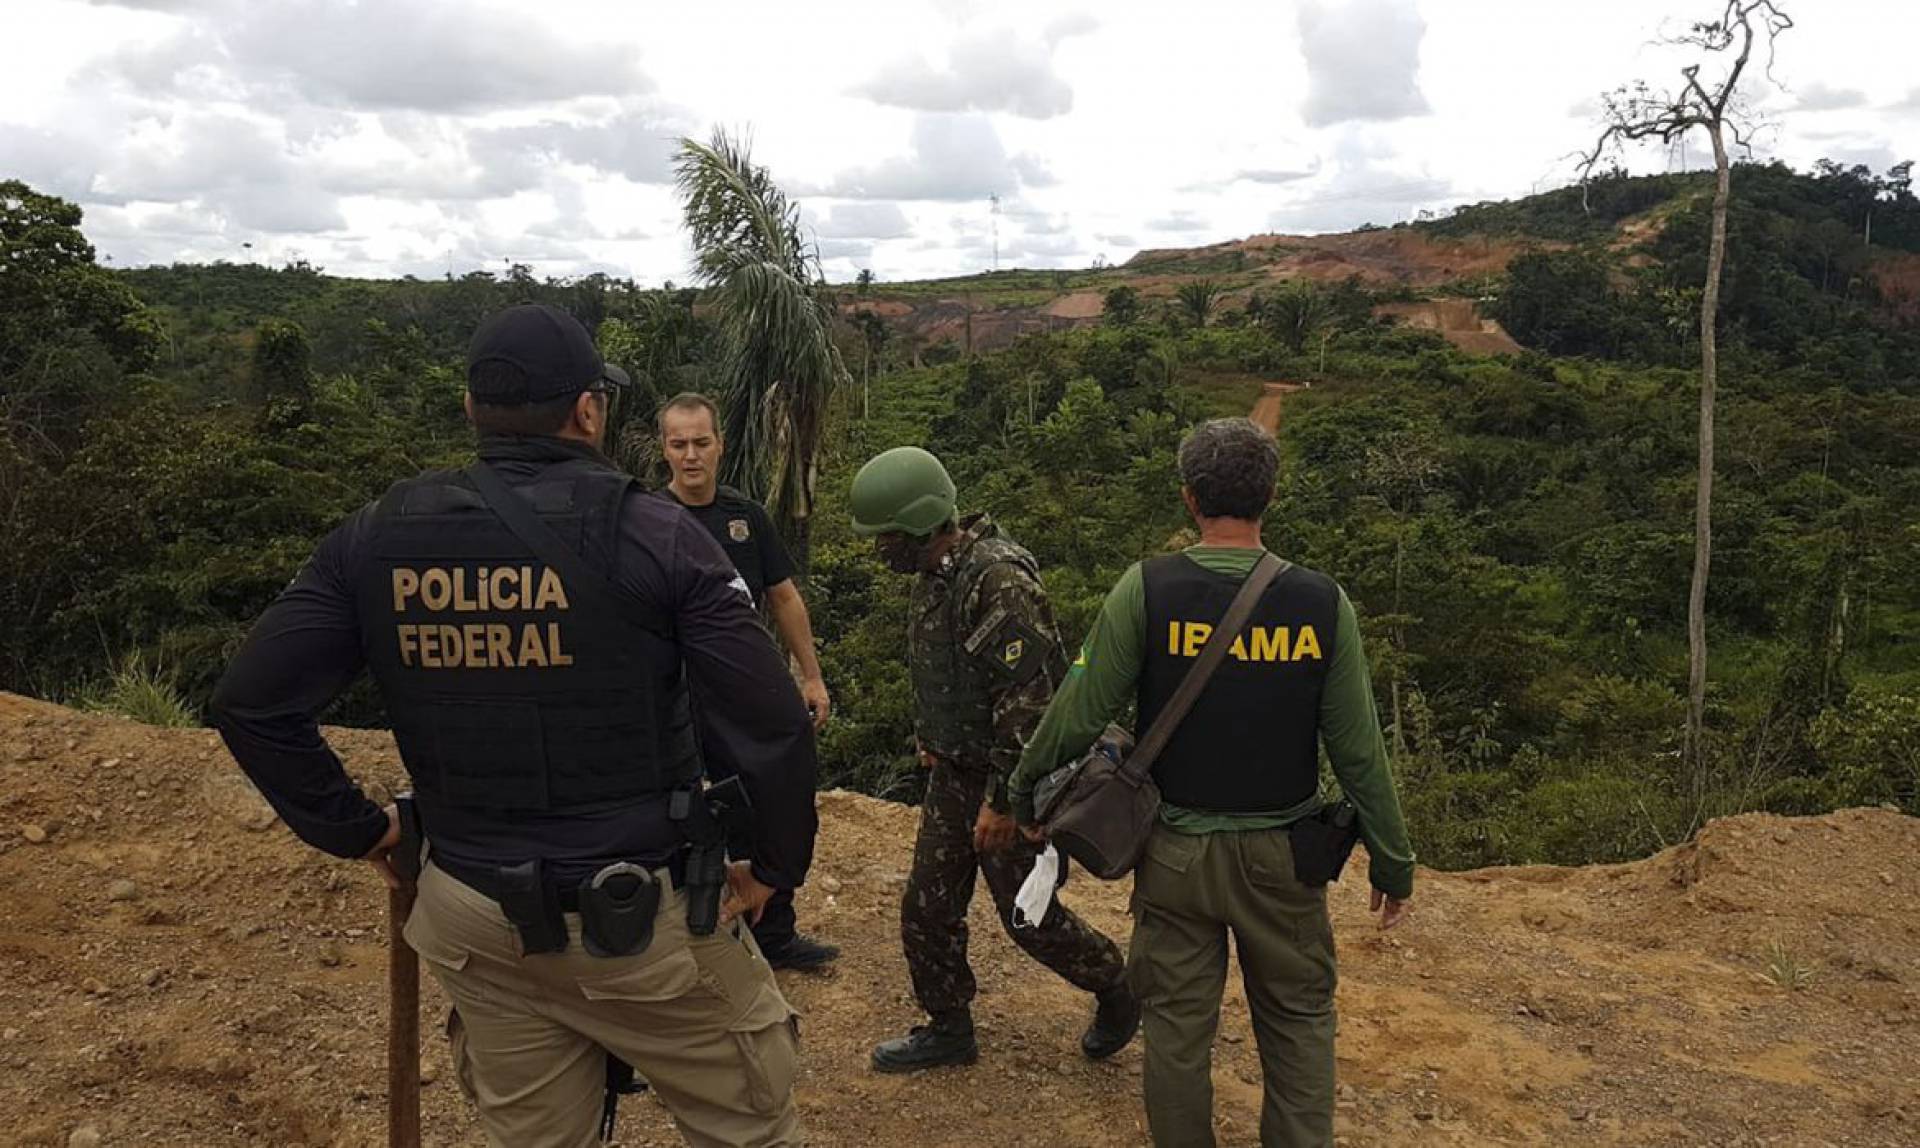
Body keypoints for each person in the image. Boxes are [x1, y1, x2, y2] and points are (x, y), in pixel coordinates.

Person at [209, 303, 814, 1148]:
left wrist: (361, 830)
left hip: (476, 920)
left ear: (471, 409)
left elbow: (251, 703)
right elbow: (772, 723)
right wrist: (775, 868)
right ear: (589, 411)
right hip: (641, 922)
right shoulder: (659, 535)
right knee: (749, 1129)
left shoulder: (380, 536)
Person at [1008, 417, 1416, 1148]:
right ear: (1272, 496)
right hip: (1283, 864)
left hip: (1175, 858)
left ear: (1189, 498)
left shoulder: (1146, 589)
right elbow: (1359, 752)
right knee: (1298, 1025)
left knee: (1174, 1033)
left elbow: (1080, 710)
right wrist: (1393, 859)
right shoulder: (1322, 603)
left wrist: (1025, 787)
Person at [847, 445, 1139, 1073]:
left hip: (1010, 779)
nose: (881, 550)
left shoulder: (998, 580)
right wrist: (933, 736)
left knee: (1028, 917)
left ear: (920, 523)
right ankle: (949, 1027)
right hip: (956, 773)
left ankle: (1117, 985)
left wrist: (1004, 803)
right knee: (927, 907)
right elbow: (949, 668)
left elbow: (1027, 702)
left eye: (888, 536)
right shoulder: (937, 575)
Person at [655, 390, 839, 972]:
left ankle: (774, 934)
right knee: (680, 811)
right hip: (669, 695)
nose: (690, 455)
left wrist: (810, 675)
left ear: (720, 445)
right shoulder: (648, 520)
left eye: (700, 442)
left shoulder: (746, 518)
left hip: (741, 691)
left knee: (765, 803)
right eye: (679, 444)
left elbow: (783, 597)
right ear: (664, 449)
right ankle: (690, 938)